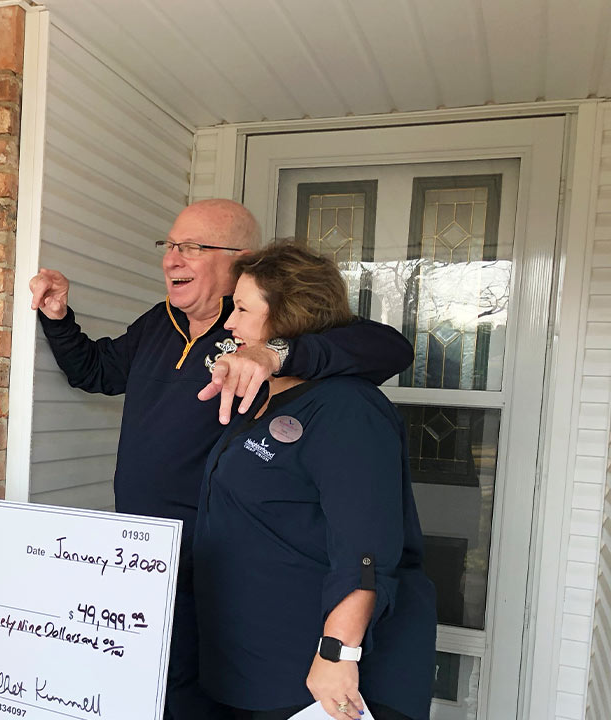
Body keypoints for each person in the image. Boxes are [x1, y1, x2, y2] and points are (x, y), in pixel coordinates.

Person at [27, 199, 414, 720]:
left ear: (240, 262)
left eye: (192, 247)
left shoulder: (274, 341)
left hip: (221, 556)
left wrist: (276, 352)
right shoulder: (158, 324)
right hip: (147, 552)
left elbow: (387, 348)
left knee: (216, 686)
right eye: (170, 246)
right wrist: (58, 319)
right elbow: (96, 372)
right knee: (166, 687)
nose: (172, 259)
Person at [193, 241, 436, 720]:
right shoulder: (267, 397)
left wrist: (336, 655)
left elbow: (365, 549)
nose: (229, 323)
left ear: (287, 318)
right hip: (246, 660)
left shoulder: (348, 408)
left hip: (304, 674)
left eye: (242, 309)